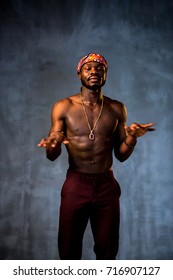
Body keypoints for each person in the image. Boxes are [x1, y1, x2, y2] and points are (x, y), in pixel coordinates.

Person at [38, 53, 155, 260]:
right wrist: (53, 144)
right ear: (79, 73)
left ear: (105, 75)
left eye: (99, 68)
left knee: (108, 250)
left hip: (106, 185)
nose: (94, 72)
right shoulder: (64, 106)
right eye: (88, 68)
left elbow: (121, 155)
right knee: (68, 250)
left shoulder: (117, 108)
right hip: (76, 183)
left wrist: (132, 139)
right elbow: (52, 155)